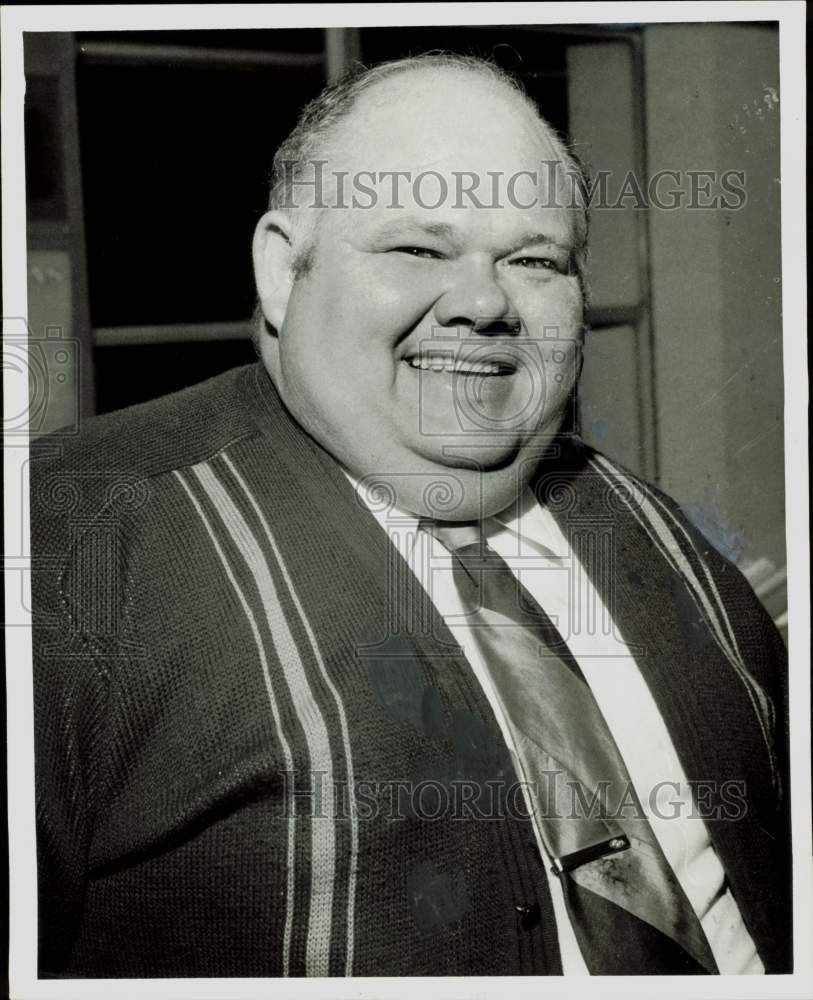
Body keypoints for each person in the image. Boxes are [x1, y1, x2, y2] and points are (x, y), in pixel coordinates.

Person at [31, 53, 790, 979]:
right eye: (417, 250)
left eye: (532, 261)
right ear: (282, 268)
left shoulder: (651, 529)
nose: (481, 304)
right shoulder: (65, 552)